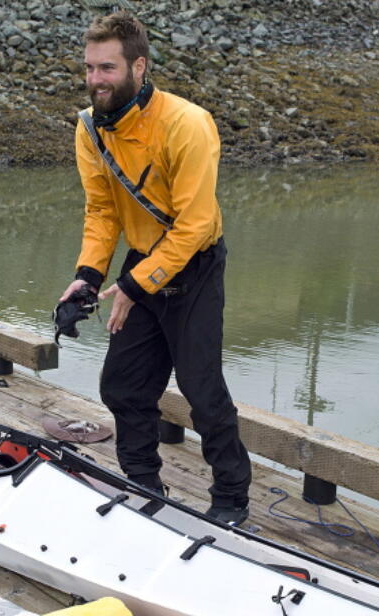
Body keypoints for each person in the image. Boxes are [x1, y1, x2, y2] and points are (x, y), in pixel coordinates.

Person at [61, 10, 251, 525]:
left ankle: (232, 497)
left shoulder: (187, 124)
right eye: (90, 68)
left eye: (108, 68)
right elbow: (101, 212)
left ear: (139, 66)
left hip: (195, 266)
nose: (96, 80)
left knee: (201, 391)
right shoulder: (89, 128)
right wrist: (89, 277)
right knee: (123, 386)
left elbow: (193, 226)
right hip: (143, 264)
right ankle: (143, 483)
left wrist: (133, 285)